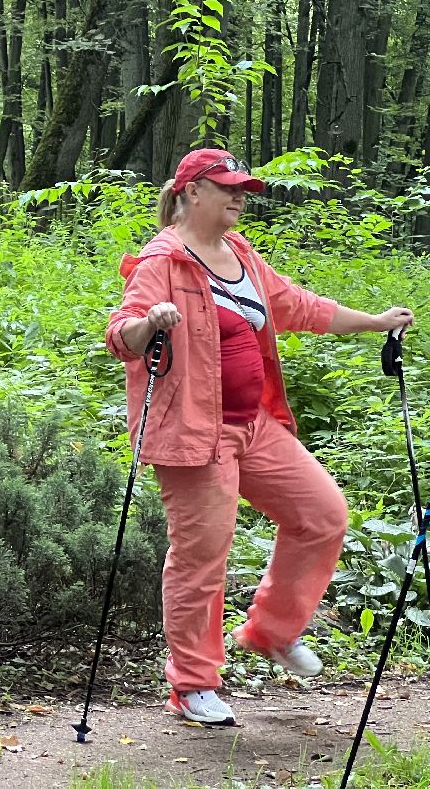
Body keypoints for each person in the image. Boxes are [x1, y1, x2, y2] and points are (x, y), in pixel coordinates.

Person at [106, 148, 414, 727]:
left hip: (254, 424)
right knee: (202, 557)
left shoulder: (241, 254)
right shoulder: (163, 262)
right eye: (227, 188)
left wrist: (375, 321)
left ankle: (271, 631)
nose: (239, 197)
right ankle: (193, 685)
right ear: (192, 192)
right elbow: (122, 334)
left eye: (242, 188)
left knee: (321, 514)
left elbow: (297, 306)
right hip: (194, 431)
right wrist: (154, 321)